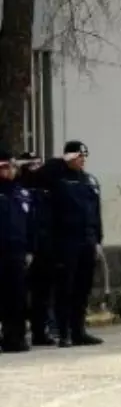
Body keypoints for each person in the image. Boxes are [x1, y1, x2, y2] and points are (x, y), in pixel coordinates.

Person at [40, 141, 104, 348]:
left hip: (87, 241)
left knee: (82, 289)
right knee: (64, 289)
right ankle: (64, 332)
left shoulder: (89, 181)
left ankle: (79, 331)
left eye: (84, 157)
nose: (82, 160)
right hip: (66, 242)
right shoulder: (57, 179)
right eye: (78, 156)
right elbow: (40, 177)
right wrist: (59, 162)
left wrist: (98, 240)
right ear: (68, 158)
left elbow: (96, 214)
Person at [16, 152, 56, 346]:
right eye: (31, 165)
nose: (36, 168)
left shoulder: (47, 190)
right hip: (23, 249)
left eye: (39, 164)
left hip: (45, 249)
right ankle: (17, 333)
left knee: (42, 293)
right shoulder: (18, 190)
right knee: (19, 294)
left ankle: (41, 332)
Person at [0, 148, 35, 352]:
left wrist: (31, 249)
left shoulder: (21, 193)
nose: (10, 170)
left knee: (17, 296)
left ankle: (16, 337)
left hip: (17, 252)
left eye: (12, 166)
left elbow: (30, 223)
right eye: (5, 167)